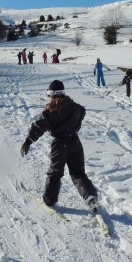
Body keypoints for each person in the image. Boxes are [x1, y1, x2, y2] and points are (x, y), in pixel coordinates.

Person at [19, 80, 99, 212]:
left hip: (60, 145)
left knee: (55, 173)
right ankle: (90, 196)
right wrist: (74, 125)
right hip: (74, 142)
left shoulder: (51, 111)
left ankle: (49, 200)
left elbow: (39, 126)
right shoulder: (75, 107)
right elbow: (82, 111)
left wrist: (28, 141)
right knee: (78, 173)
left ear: (51, 94)